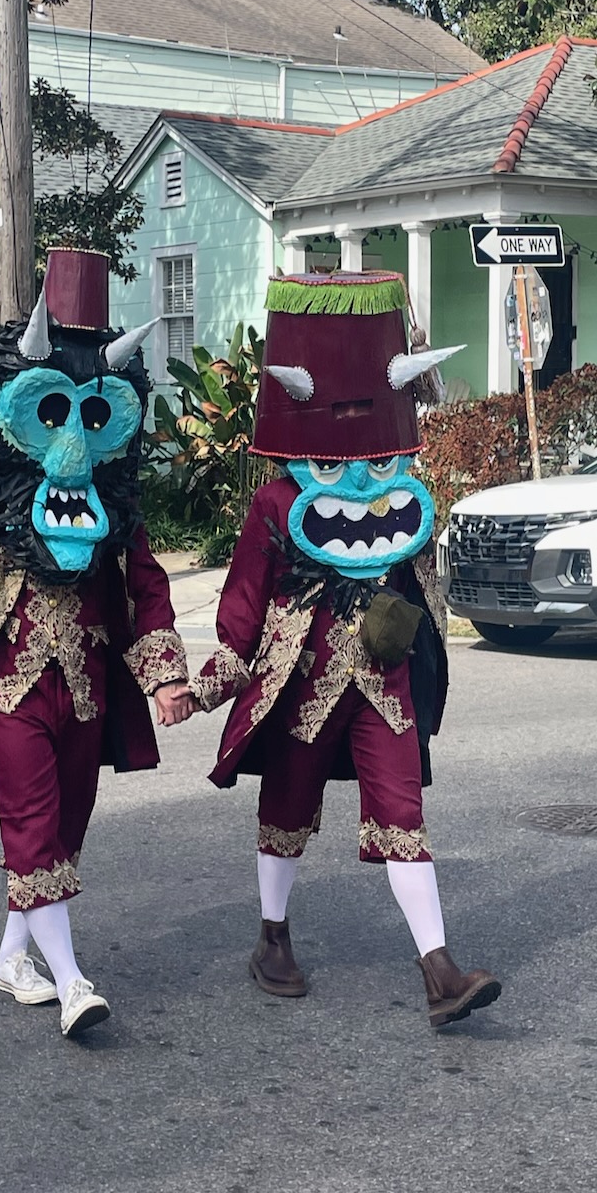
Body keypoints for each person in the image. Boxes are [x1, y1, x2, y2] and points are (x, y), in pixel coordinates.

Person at [0, 248, 194, 1040]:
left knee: (64, 829)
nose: (74, 438)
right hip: (5, 680)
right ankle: (75, 978)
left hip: (84, 684)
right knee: (29, 817)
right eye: (56, 410)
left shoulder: (113, 505)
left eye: (93, 413)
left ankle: (14, 957)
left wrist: (163, 678)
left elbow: (146, 589)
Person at [187, 271, 501, 1029]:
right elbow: (240, 610)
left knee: (403, 811)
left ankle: (438, 969)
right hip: (299, 682)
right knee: (287, 807)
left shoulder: (404, 493)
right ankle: (272, 936)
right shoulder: (275, 503)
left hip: (382, 679)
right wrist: (197, 688)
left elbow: (422, 581)